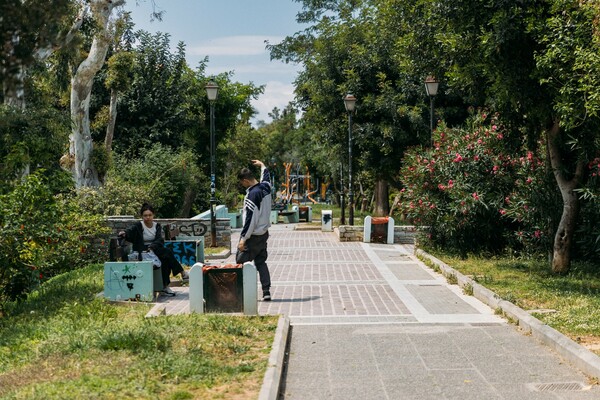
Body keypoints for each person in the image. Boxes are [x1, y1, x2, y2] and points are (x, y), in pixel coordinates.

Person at [119, 203, 187, 296]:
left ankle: (165, 286)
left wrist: (152, 247)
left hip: (153, 249)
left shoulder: (156, 226)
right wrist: (124, 233)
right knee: (166, 253)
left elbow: (159, 239)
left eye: (150, 215)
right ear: (142, 216)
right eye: (145, 215)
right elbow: (130, 230)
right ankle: (181, 273)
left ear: (153, 215)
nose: (148, 217)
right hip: (142, 252)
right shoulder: (139, 225)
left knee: (165, 258)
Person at [236, 160, 273, 301]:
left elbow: (250, 219)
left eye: (242, 183)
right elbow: (266, 176)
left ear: (245, 180)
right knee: (261, 262)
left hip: (253, 235)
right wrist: (263, 165)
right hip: (264, 234)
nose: (242, 185)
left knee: (240, 262)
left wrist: (243, 239)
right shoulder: (265, 187)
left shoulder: (253, 195)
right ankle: (266, 291)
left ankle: (240, 292)